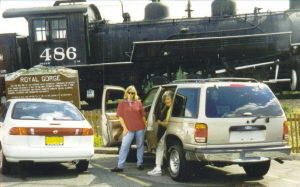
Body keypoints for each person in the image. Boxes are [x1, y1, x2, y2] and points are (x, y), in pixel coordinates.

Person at [111, 85, 147, 172]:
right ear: (126, 93)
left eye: (132, 93)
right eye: (129, 92)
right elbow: (120, 117)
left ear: (135, 94)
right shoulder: (122, 103)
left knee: (140, 145)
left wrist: (145, 127)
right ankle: (120, 166)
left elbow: (143, 116)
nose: (130, 94)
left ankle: (139, 164)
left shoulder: (138, 103)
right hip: (128, 129)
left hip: (140, 128)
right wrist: (125, 128)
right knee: (124, 147)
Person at [147, 90, 173, 176]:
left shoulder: (171, 109)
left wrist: (160, 122)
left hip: (170, 130)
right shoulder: (170, 108)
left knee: (160, 147)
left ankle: (158, 169)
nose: (167, 101)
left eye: (168, 98)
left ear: (173, 98)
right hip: (172, 131)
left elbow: (169, 123)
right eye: (165, 99)